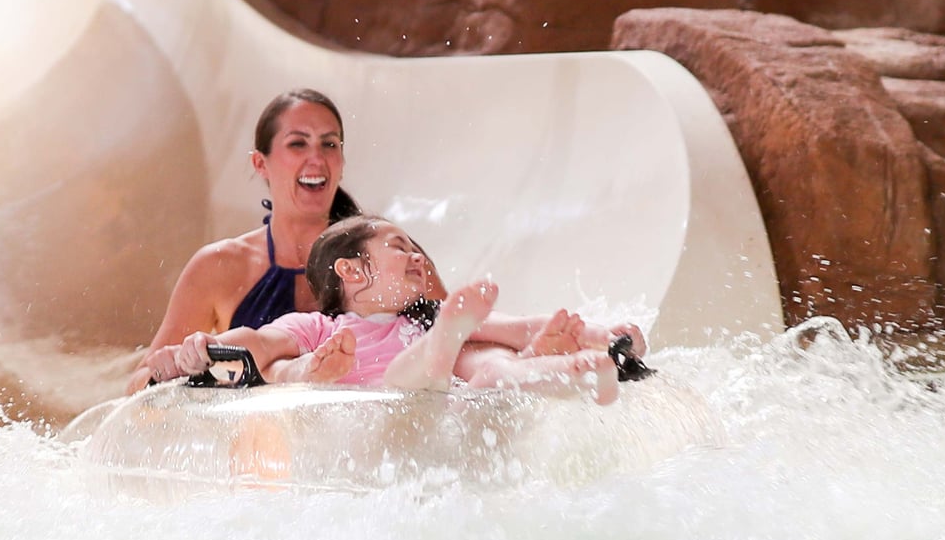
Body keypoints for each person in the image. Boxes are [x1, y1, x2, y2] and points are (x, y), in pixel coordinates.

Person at [128, 88, 447, 392]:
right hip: (257, 441)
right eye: (298, 144)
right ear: (260, 163)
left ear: (342, 163)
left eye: (329, 145)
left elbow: (455, 340)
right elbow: (138, 385)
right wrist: (178, 367)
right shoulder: (220, 266)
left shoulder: (399, 261)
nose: (317, 159)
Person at [171, 216, 646, 405]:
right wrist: (208, 349)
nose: (418, 256)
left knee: (487, 365)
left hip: (442, 396)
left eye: (417, 248)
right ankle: (445, 352)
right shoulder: (319, 328)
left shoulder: (422, 316)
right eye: (399, 248)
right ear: (353, 272)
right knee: (425, 362)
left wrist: (608, 337)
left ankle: (574, 368)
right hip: (388, 409)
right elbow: (257, 342)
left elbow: (520, 326)